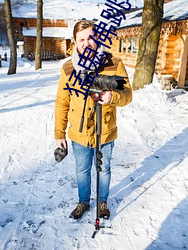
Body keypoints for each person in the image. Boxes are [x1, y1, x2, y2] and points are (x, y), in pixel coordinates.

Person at [54, 20, 132, 220]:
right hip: (79, 133)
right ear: (75, 42)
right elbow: (62, 102)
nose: (86, 43)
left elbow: (128, 95)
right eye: (81, 39)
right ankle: (83, 202)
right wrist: (59, 134)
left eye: (90, 37)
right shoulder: (68, 68)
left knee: (104, 168)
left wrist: (112, 97)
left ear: (97, 38)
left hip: (105, 130)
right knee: (82, 170)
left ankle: (103, 202)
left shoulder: (114, 63)